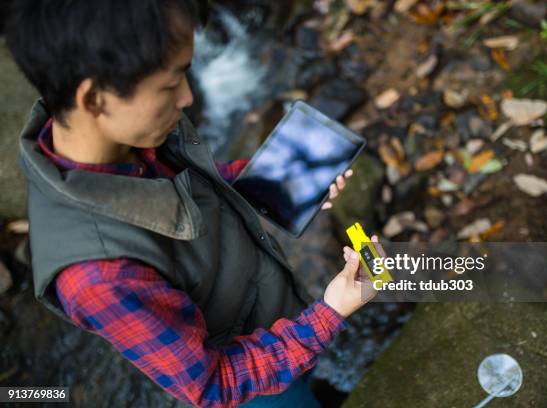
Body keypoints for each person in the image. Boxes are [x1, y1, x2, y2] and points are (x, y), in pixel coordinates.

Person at [5, 0, 377, 406]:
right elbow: (215, 383)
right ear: (95, 98)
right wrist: (330, 313)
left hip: (265, 307)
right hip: (249, 386)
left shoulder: (116, 132)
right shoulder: (99, 277)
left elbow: (194, 184)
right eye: (171, 84)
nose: (186, 98)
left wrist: (276, 179)